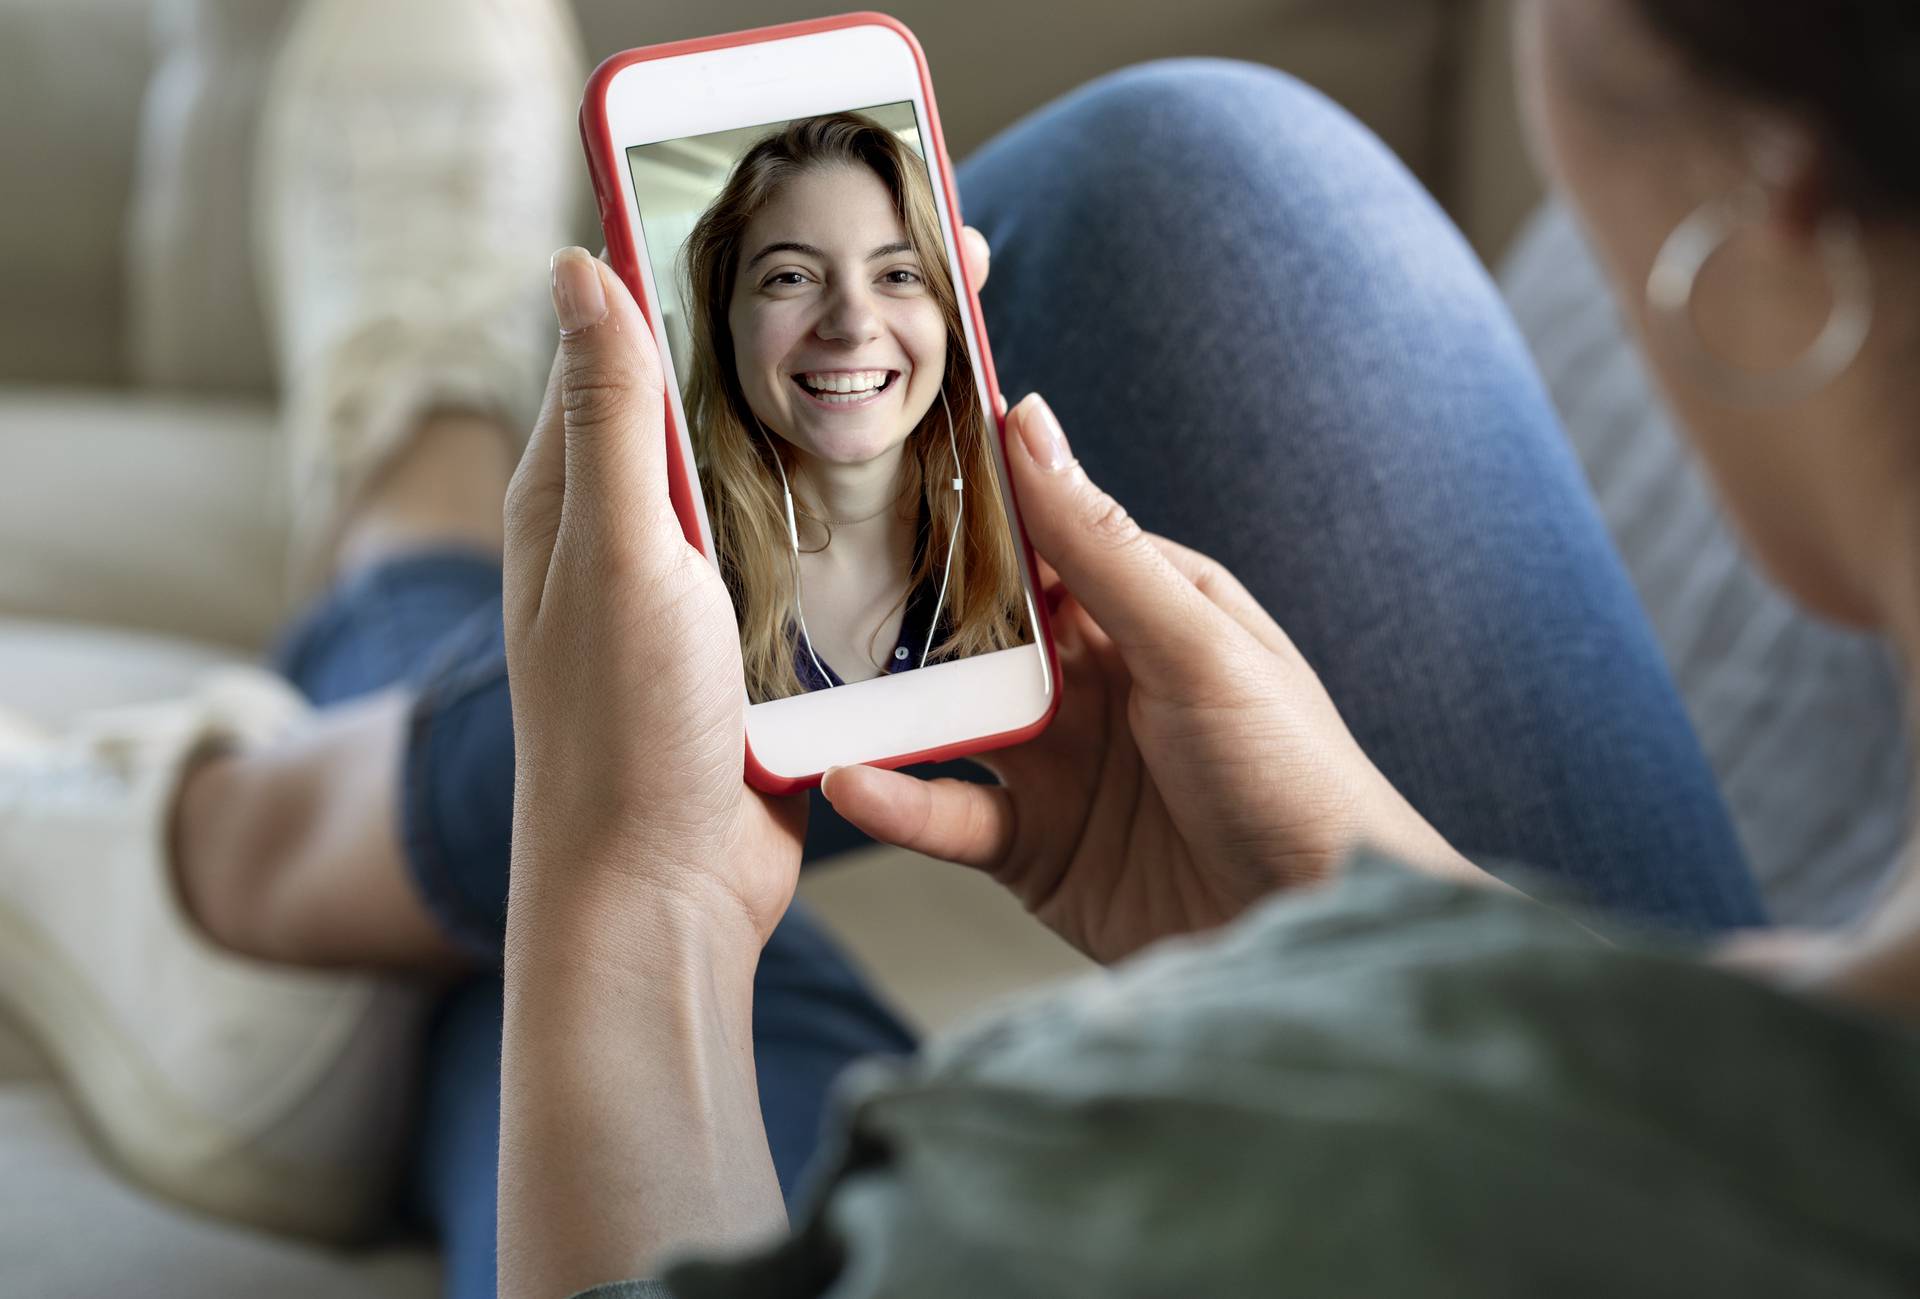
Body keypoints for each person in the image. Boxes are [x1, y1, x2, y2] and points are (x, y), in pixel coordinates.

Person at [0, 0, 1905, 1296]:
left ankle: (330, 670)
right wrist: (1391, 905)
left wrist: (631, 902)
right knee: (1203, 199)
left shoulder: (1081, 1195)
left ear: (1781, 222)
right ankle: (391, 591)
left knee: (643, 956)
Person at [678, 112, 1030, 699]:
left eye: (898, 273)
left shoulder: (1033, 541)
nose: (851, 325)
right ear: (725, 325)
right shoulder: (673, 563)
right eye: (791, 277)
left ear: (949, 316)